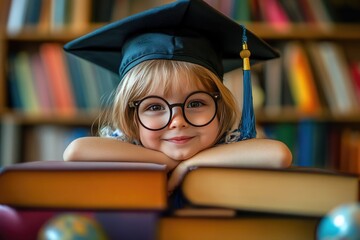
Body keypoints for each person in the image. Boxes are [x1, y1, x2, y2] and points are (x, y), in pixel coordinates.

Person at [63, 0, 292, 195]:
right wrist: (167, 161)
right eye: (154, 107)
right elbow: (76, 151)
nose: (178, 121)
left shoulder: (229, 139)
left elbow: (278, 154)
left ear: (220, 107)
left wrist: (188, 165)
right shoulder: (127, 142)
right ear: (132, 116)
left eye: (195, 103)